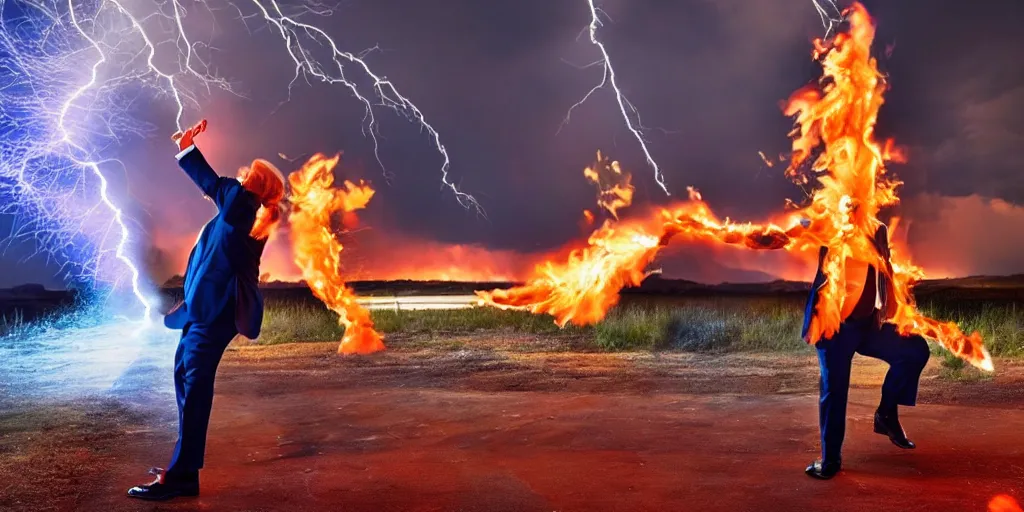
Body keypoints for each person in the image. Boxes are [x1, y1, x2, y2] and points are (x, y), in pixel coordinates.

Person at [128, 120, 285, 501]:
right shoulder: (232, 216)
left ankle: (181, 475)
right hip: (201, 312)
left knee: (196, 388)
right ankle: (186, 471)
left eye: (250, 173)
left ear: (254, 186)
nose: (241, 173)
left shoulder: (240, 209)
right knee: (185, 377)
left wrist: (189, 150)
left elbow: (221, 188)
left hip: (216, 315)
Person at [803, 221, 931, 479]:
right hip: (834, 328)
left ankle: (886, 414)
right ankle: (830, 460)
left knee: (914, 349)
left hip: (867, 324)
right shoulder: (833, 224)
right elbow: (806, 227)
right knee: (834, 390)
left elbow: (886, 269)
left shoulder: (878, 230)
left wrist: (894, 310)